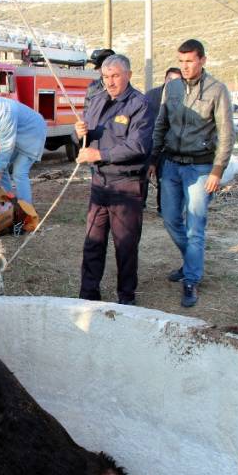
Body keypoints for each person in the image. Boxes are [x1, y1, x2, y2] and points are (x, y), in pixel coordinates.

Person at [149, 39, 234, 307]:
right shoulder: (171, 88)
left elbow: (227, 134)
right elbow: (161, 124)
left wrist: (217, 170)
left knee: (195, 225)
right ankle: (191, 262)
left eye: (190, 61)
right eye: (181, 61)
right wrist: (153, 158)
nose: (185, 66)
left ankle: (191, 279)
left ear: (202, 61)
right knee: (170, 218)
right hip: (171, 164)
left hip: (200, 168)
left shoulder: (217, 90)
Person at [74, 54, 153, 305]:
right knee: (93, 242)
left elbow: (138, 145)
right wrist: (80, 134)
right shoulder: (96, 100)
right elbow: (88, 138)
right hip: (99, 182)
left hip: (127, 185)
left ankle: (126, 298)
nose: (110, 82)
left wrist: (100, 154)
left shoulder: (140, 104)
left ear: (128, 75)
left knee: (125, 246)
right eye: (106, 77)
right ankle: (88, 295)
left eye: (115, 76)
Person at [0, 91, 47, 204]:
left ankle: (25, 209)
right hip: (16, 136)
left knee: (19, 172)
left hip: (33, 133)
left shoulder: (4, 111)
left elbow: (7, 145)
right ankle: (8, 202)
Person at [144, 67, 182, 213]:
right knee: (144, 176)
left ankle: (163, 208)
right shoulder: (151, 96)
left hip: (167, 147)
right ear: (165, 79)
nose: (173, 83)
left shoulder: (183, 98)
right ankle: (140, 204)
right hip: (149, 143)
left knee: (164, 178)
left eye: (177, 80)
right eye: (170, 79)